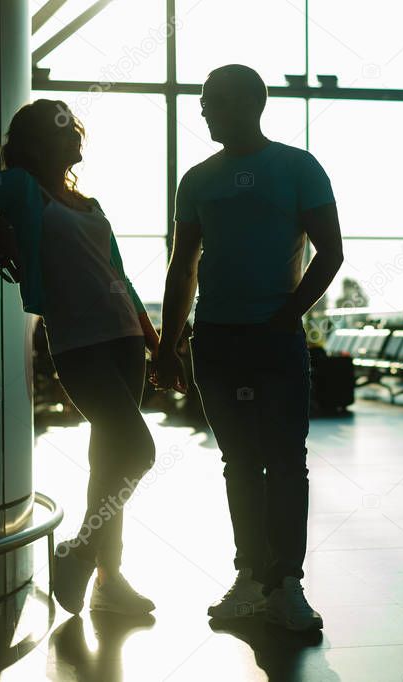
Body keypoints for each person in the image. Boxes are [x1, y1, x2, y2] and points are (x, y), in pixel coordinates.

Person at [0, 100, 160, 617]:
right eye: (59, 129)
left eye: (72, 127)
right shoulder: (21, 188)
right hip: (78, 342)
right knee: (138, 451)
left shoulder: (89, 203)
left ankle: (108, 579)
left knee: (111, 461)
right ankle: (78, 553)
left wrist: (156, 342)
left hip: (123, 339)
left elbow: (119, 276)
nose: (73, 136)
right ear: (35, 143)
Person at [151, 64, 343, 632]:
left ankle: (285, 582)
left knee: (284, 460)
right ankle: (252, 575)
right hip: (218, 337)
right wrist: (168, 344)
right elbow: (183, 266)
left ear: (247, 103)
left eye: (211, 100)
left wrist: (284, 318)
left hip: (274, 339)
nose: (203, 110)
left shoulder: (297, 167)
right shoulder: (198, 179)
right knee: (241, 462)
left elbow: (330, 253)